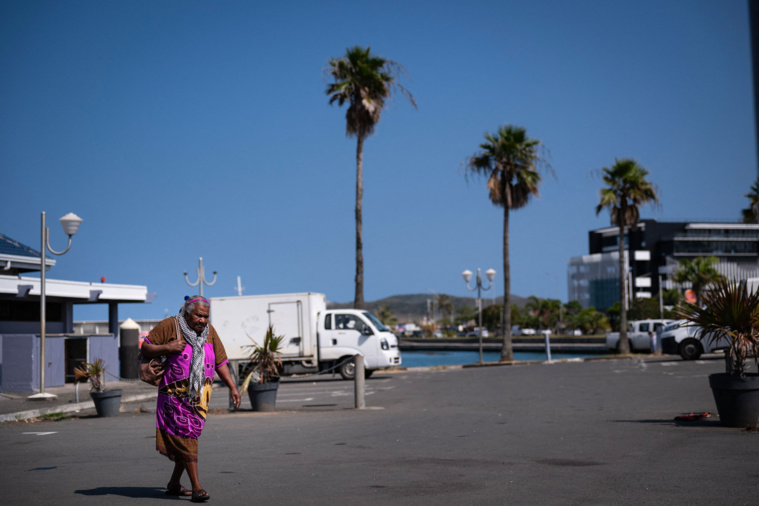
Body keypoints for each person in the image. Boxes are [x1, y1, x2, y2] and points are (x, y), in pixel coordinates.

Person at [141, 295, 241, 503]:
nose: (202, 320)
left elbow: (221, 361)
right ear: (187, 312)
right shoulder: (171, 325)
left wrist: (233, 387)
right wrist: (168, 348)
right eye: (198, 315)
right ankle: (197, 487)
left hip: (199, 397)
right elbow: (146, 347)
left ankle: (174, 483)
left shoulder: (209, 332)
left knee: (188, 438)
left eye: (206, 316)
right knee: (187, 437)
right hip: (173, 396)